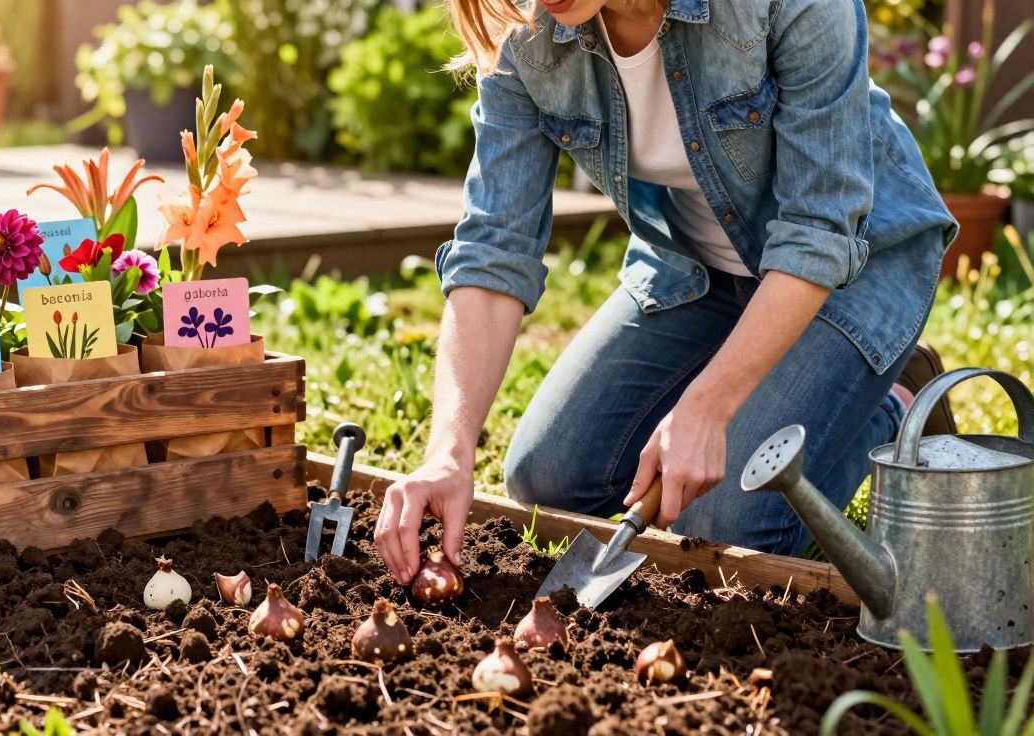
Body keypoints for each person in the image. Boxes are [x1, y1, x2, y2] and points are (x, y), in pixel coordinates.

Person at [373, 0, 958, 584]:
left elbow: (819, 234)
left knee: (720, 523)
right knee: (546, 478)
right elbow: (495, 249)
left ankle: (895, 402)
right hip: (694, 268)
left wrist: (706, 407)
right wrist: (449, 450)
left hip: (853, 268)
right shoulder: (522, 26)